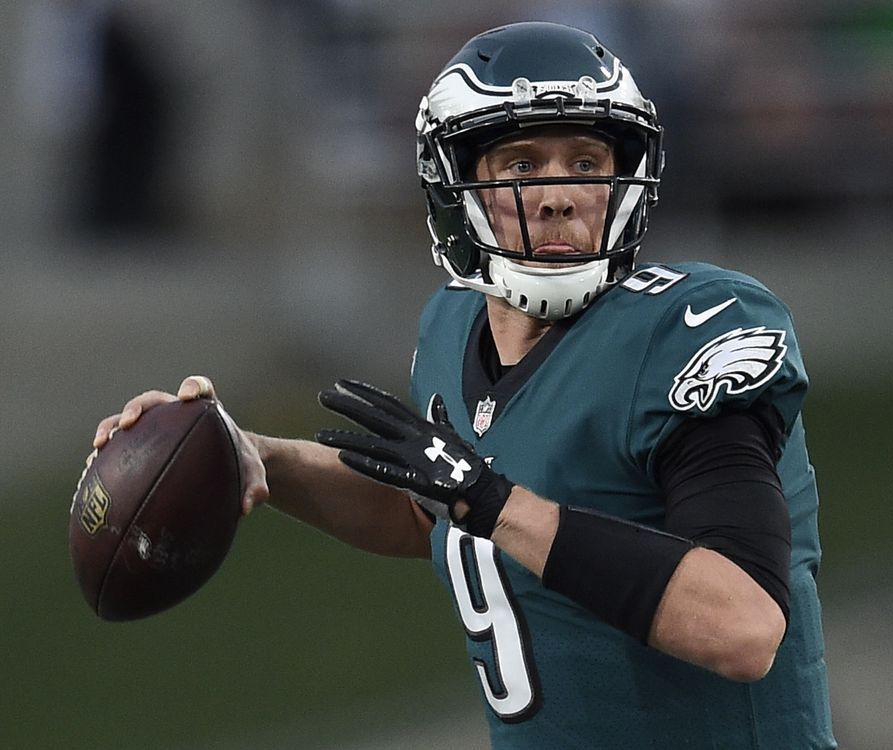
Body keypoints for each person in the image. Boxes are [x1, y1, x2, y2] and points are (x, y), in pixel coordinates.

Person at [92, 22, 836, 749]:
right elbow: (439, 517)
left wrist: (487, 498)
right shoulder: (453, 330)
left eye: (585, 163)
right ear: (457, 188)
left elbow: (743, 624)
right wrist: (257, 456)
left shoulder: (687, 329)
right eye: (521, 167)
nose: (559, 195)